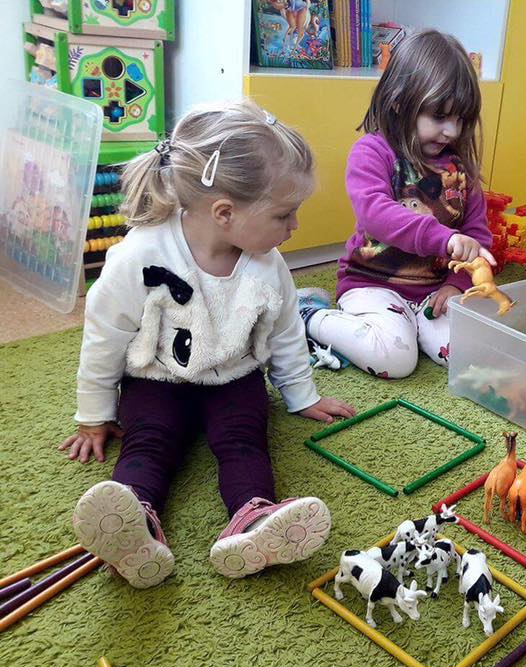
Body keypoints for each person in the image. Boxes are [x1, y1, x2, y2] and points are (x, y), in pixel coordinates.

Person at [59, 100, 356, 587]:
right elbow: (104, 336)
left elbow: (286, 331)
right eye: (285, 215)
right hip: (156, 380)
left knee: (244, 442)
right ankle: (135, 527)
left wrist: (303, 396)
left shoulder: (268, 264)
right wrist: (94, 414)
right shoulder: (139, 255)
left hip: (233, 380)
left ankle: (253, 520)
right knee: (148, 442)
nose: (295, 227)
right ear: (225, 213)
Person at [299, 30, 494, 379]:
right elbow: (376, 215)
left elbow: (477, 236)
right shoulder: (373, 152)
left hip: (433, 289)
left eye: (460, 120)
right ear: (400, 102)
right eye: (440, 117)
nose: (452, 131)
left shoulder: (460, 170)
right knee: (395, 360)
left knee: (468, 354)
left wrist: (457, 284)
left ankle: (411, 327)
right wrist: (444, 238)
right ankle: (309, 315)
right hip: (372, 284)